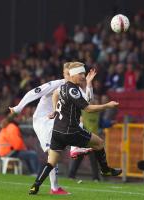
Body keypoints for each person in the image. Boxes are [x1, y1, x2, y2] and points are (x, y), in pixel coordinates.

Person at [29, 62, 122, 195]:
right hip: (71, 131)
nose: (83, 76)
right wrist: (108, 105)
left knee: (51, 162)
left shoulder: (63, 87)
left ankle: (35, 186)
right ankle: (105, 169)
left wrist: (55, 110)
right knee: (99, 143)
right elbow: (88, 108)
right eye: (81, 74)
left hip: (57, 131)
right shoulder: (73, 90)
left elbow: (56, 95)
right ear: (73, 75)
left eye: (84, 74)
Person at [9, 62, 96, 195]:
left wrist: (89, 83)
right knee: (75, 122)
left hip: (55, 120)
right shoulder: (56, 84)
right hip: (43, 120)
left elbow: (87, 101)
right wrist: (18, 108)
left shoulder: (74, 89)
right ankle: (74, 149)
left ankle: (54, 188)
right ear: (64, 74)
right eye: (68, 74)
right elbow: (34, 92)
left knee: (53, 155)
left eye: (73, 74)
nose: (70, 77)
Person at [68, 97, 101, 181]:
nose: (94, 104)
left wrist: (110, 123)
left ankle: (94, 178)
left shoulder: (97, 114)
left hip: (92, 139)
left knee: (92, 159)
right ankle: (95, 178)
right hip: (85, 138)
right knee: (82, 158)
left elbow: (102, 123)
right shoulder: (84, 112)